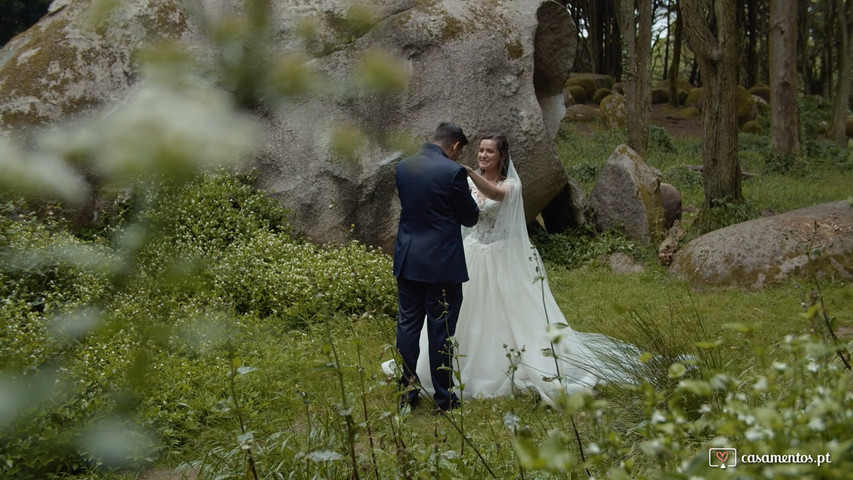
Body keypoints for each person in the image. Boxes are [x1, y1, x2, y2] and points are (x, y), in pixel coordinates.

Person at [409, 134, 633, 404]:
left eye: (489, 152)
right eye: (480, 151)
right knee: (464, 311)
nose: (482, 156)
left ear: (501, 156)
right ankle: (438, 368)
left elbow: (494, 194)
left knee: (506, 311)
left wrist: (466, 171)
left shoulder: (512, 185)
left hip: (501, 255)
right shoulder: (467, 182)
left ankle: (508, 364)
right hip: (472, 252)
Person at [392, 122, 480, 412]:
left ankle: (407, 390)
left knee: (407, 325)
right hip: (441, 264)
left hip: (408, 259)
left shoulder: (404, 167)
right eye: (459, 151)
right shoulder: (452, 172)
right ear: (455, 146)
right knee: (441, 329)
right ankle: (444, 398)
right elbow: (469, 217)